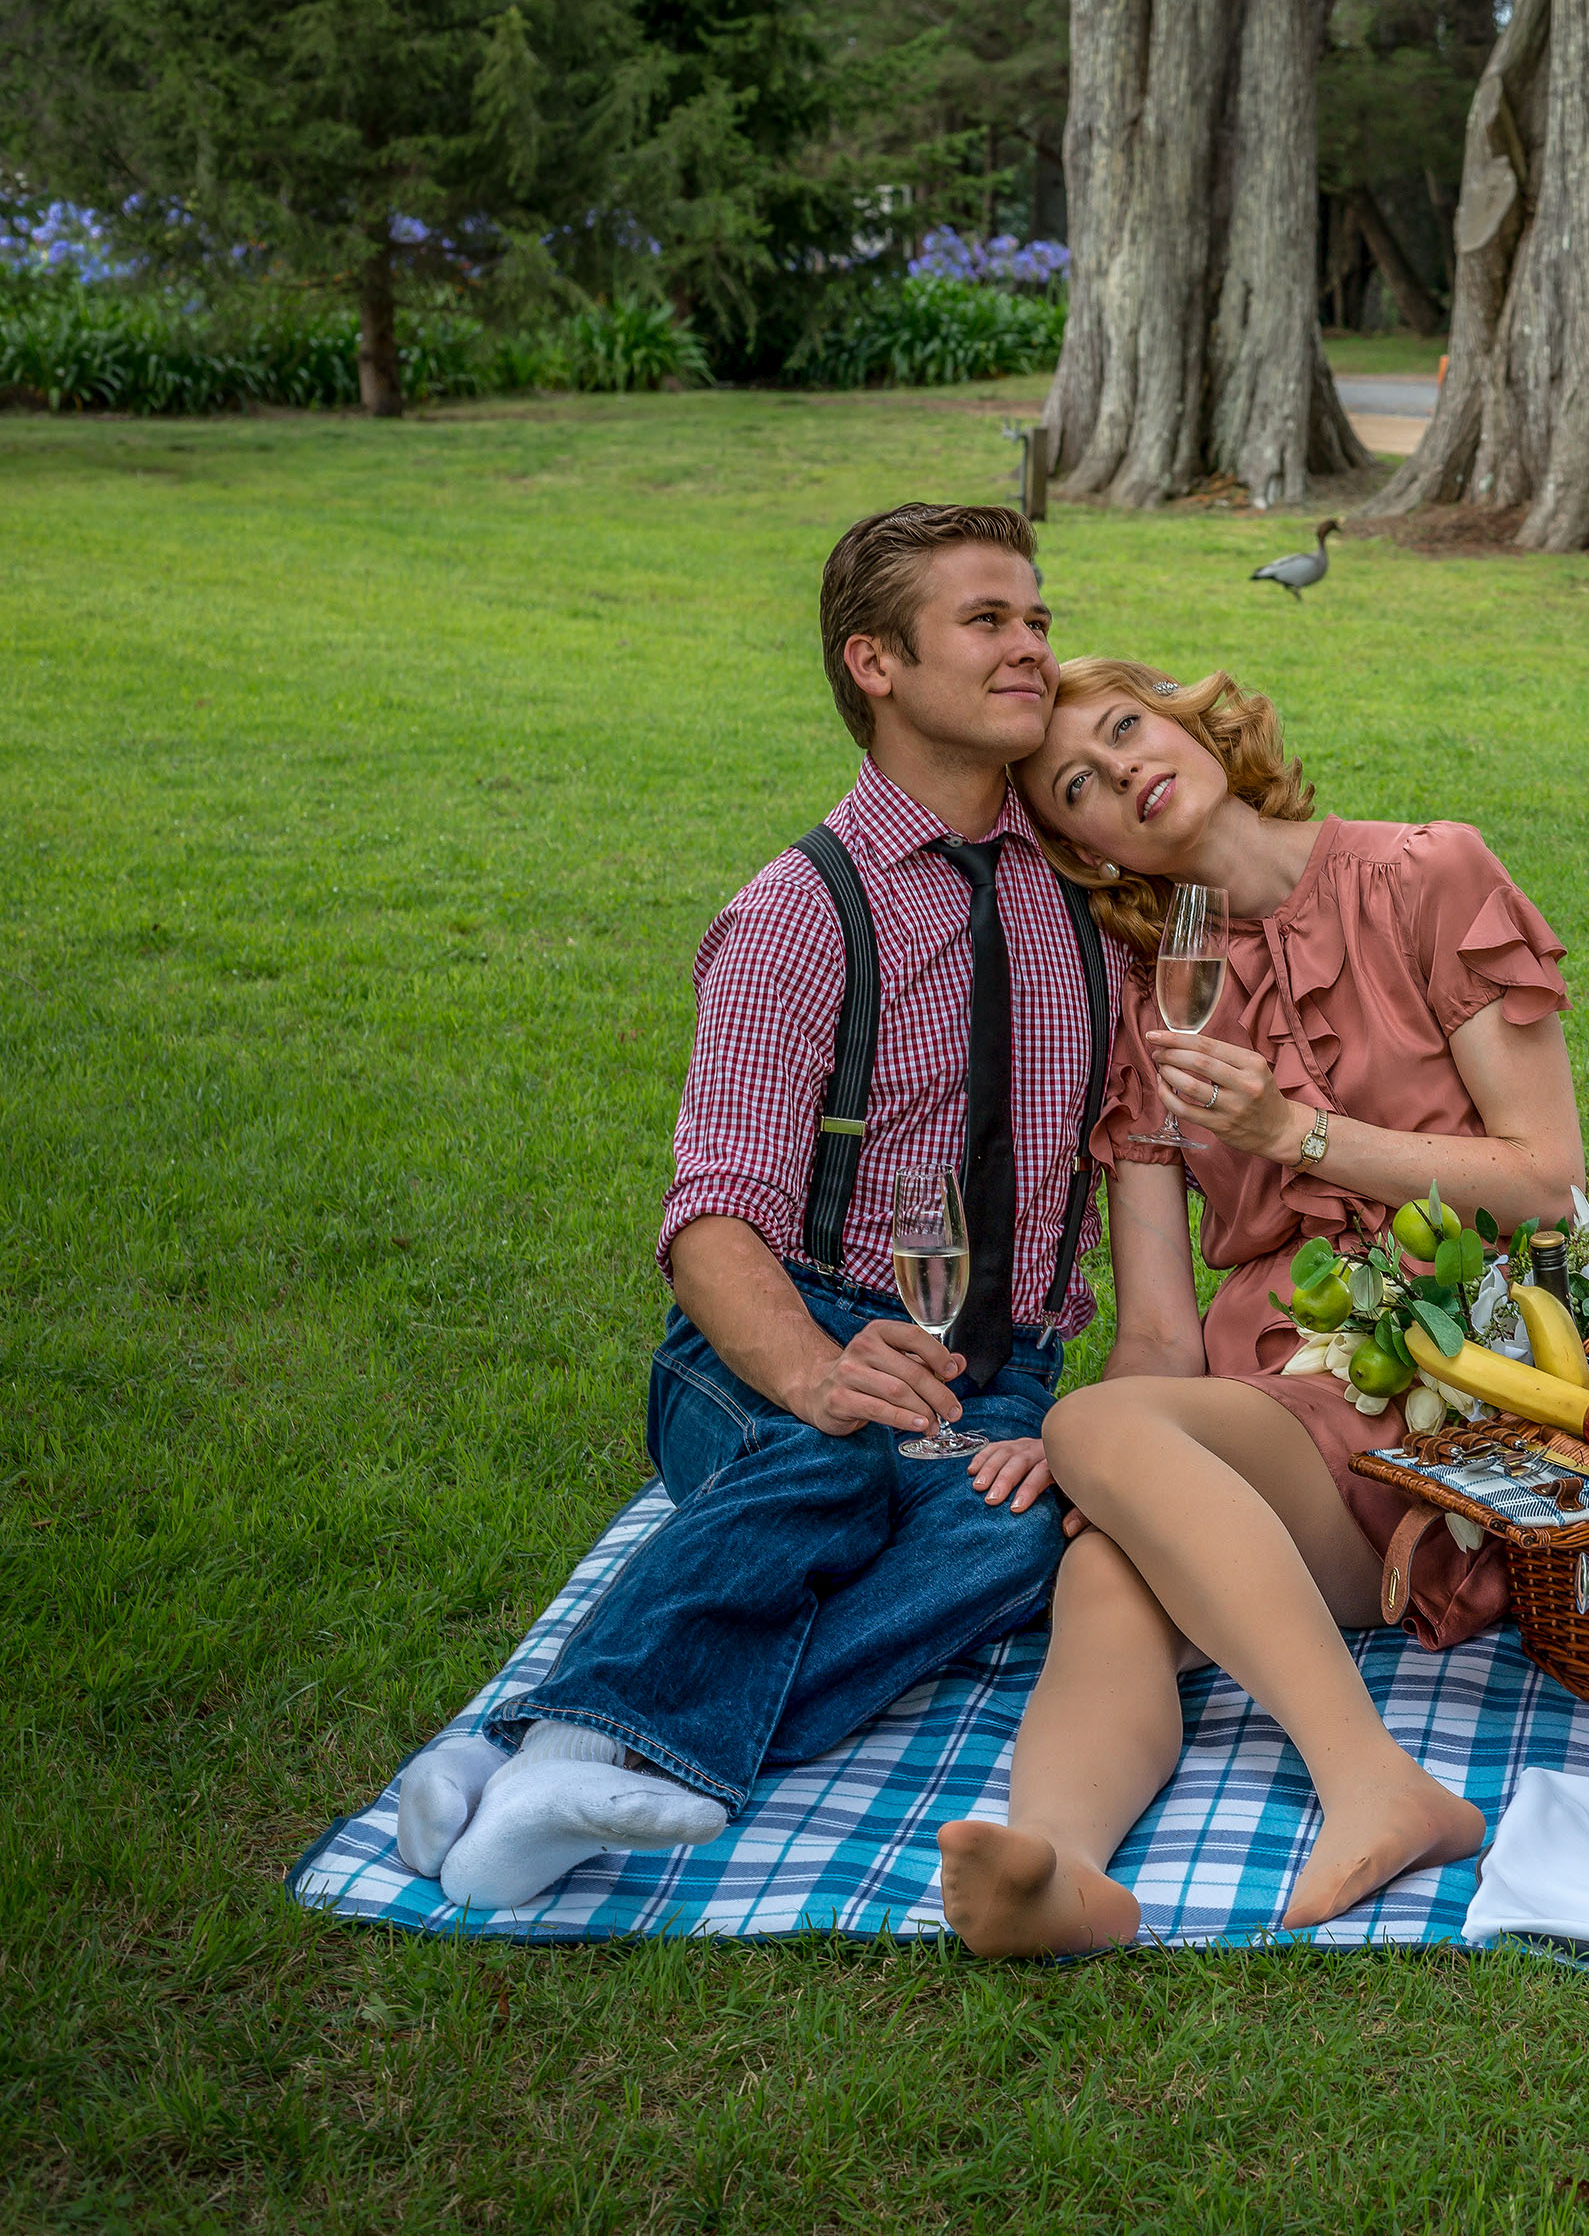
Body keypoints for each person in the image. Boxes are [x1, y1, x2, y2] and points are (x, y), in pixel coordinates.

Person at [396, 502, 1115, 1910]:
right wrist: (815, 1370)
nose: (1032, 646)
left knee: (1019, 1530)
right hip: (783, 1330)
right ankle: (584, 1747)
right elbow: (712, 1212)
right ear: (876, 662)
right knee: (832, 1466)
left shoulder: (1088, 892)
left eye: (1039, 617)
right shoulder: (796, 911)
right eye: (989, 620)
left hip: (1000, 1362)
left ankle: (545, 1750)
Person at [931, 658, 1583, 1953]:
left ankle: (1374, 1782)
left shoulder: (1427, 875)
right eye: (1080, 784)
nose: (1121, 770)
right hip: (1275, 1417)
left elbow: (1547, 1181)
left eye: (1126, 729)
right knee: (1108, 1552)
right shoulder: (1155, 1002)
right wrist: (1107, 1445)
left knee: (1098, 1440)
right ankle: (1056, 1868)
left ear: (1189, 717)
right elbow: (1164, 1332)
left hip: (1455, 1390)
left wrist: (1302, 1132)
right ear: (1085, 843)